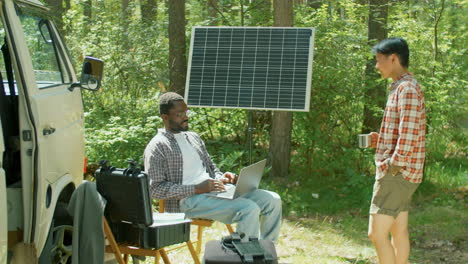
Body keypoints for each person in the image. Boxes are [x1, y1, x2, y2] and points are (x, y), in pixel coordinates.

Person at [144, 92, 282, 242]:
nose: (185, 117)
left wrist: (222, 177)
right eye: (179, 114)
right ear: (165, 117)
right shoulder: (157, 146)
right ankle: (248, 254)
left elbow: (211, 168)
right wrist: (197, 188)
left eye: (186, 112)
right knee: (248, 209)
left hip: (214, 191)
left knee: (272, 200)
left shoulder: (192, 137)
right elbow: (154, 189)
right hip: (188, 201)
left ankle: (267, 250)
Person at [367, 38, 426, 264]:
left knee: (376, 233)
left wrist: (393, 166)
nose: (376, 66)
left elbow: (409, 136)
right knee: (398, 230)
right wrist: (380, 140)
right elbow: (405, 129)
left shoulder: (407, 89)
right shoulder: (402, 87)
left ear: (393, 58)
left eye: (379, 60)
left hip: (397, 175)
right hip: (403, 173)